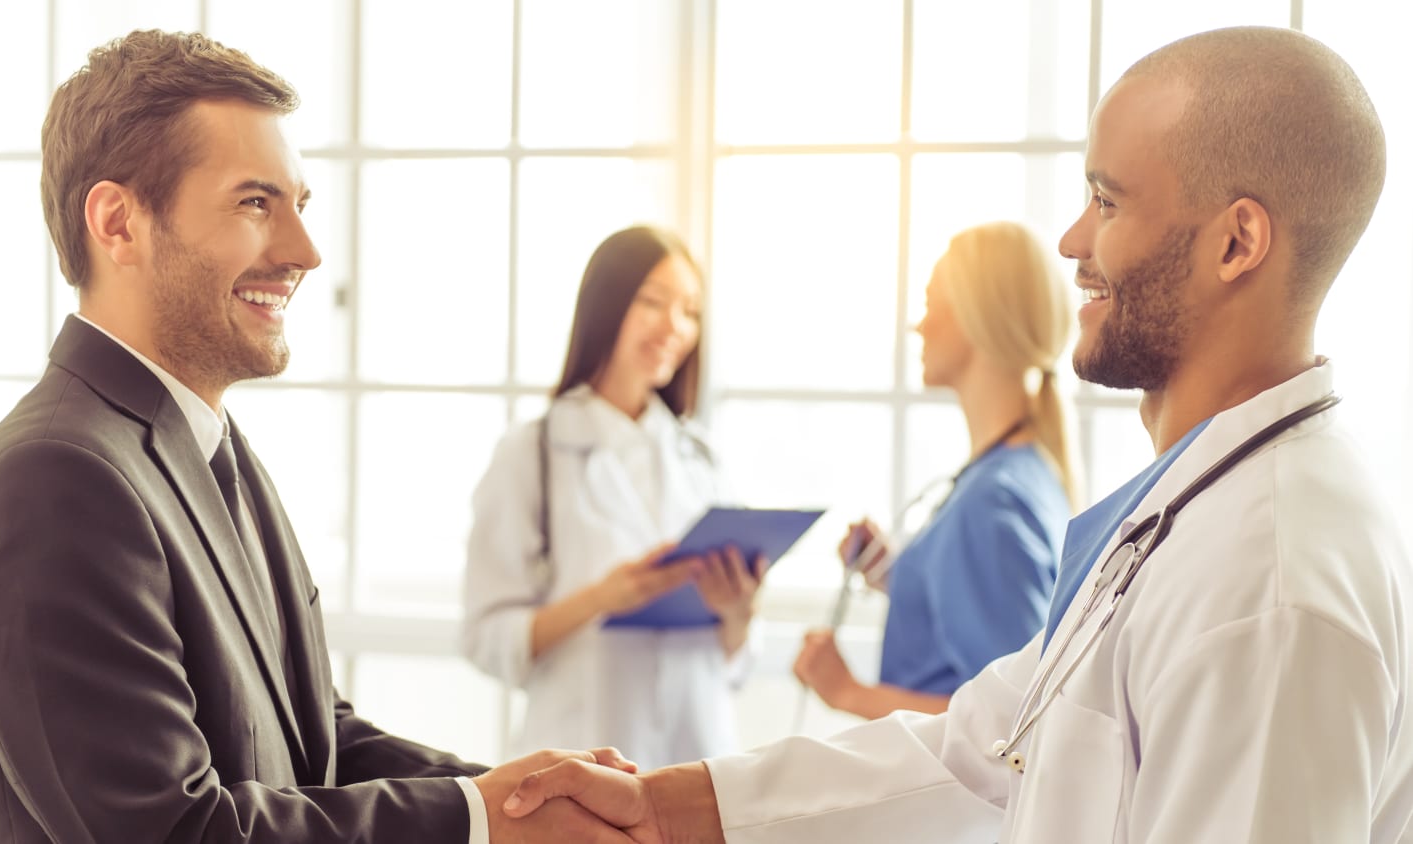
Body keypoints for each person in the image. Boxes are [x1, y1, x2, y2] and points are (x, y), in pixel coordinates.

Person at [499, 26, 1413, 842]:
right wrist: (667, 806)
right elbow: (983, 747)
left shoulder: (1276, 581)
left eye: (1107, 201)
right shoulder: (1192, 512)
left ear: (1236, 243)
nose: (1069, 241)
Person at [0, 29, 637, 844]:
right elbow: (173, 831)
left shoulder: (208, 449)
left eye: (298, 205)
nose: (304, 252)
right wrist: (482, 820)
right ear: (118, 223)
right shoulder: (52, 481)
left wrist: (533, 795)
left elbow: (313, 741)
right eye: (254, 203)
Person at [463, 226, 764, 771]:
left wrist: (738, 615)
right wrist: (603, 596)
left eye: (690, 310)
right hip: (580, 764)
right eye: (653, 302)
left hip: (701, 764)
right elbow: (487, 639)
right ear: (607, 306)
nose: (676, 326)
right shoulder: (532, 451)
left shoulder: (702, 458)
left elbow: (734, 663)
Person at [793, 221, 1079, 719]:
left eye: (930, 305)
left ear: (976, 317)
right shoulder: (1018, 474)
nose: (918, 326)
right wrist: (902, 575)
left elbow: (1011, 721)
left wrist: (847, 692)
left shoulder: (992, 502)